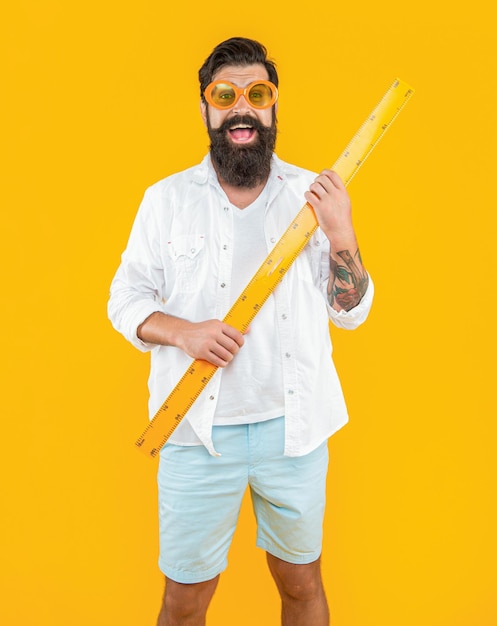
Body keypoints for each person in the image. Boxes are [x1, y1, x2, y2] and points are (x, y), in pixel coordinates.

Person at [108, 36, 373, 626]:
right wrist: (183, 332)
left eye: (258, 93)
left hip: (294, 433)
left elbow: (351, 311)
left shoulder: (314, 196)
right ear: (205, 108)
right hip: (195, 433)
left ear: (274, 106)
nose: (241, 107)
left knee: (303, 586)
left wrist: (341, 233)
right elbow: (124, 299)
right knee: (183, 602)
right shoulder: (166, 200)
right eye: (224, 95)